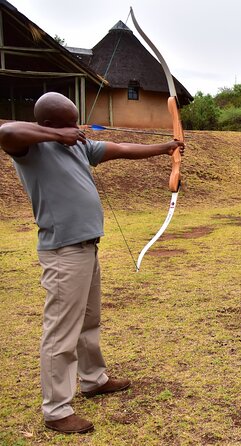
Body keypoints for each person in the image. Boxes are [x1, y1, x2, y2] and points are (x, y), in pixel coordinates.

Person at [0, 92, 185, 434]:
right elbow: (6, 132)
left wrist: (166, 148)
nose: (76, 127)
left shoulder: (80, 147)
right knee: (61, 331)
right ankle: (56, 410)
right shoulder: (30, 149)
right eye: (68, 122)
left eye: (75, 120)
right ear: (49, 124)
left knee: (89, 320)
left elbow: (123, 149)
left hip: (86, 249)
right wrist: (59, 136)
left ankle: (93, 379)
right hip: (63, 252)